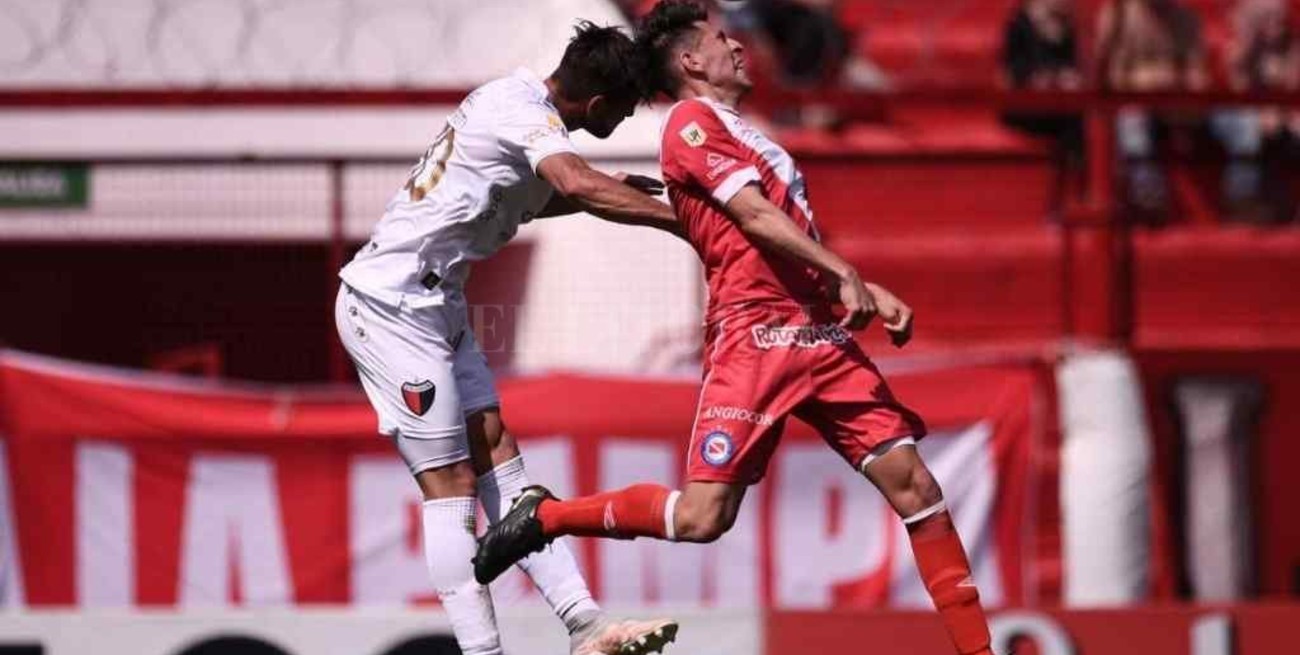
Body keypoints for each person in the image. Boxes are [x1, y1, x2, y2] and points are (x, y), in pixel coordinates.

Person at [475, 3, 996, 654]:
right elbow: (750, 216)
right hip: (754, 339)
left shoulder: (752, 134)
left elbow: (780, 234)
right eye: (724, 40)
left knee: (917, 487)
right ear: (692, 61)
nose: (740, 48)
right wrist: (842, 268)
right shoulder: (691, 126)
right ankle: (547, 516)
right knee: (702, 517)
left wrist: (849, 285)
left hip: (817, 335)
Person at [334, 21, 679, 655]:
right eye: (626, 110)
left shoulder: (518, 111)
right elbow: (574, 180)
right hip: (390, 306)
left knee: (496, 447)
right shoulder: (527, 119)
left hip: (438, 302)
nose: (626, 118)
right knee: (452, 484)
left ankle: (585, 626)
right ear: (599, 105)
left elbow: (529, 198)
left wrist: (610, 192)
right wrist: (684, 226)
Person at [1000, 0, 1085, 163]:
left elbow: (1074, 66)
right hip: (1025, 104)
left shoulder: (1068, 26)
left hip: (1060, 101)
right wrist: (1041, 79)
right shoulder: (1019, 24)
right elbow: (1014, 71)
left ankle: (1076, 170)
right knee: (1072, 120)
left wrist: (1065, 77)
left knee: (1079, 116)